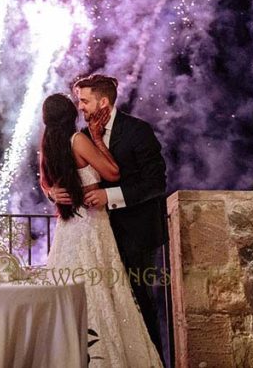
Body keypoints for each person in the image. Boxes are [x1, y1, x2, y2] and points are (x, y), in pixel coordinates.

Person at [47, 74, 168, 363]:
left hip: (137, 232)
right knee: (101, 302)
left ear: (104, 101)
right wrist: (52, 192)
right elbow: (58, 171)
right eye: (78, 102)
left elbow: (155, 182)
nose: (80, 108)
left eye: (85, 101)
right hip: (96, 233)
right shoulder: (82, 137)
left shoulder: (138, 131)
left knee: (140, 303)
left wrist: (110, 196)